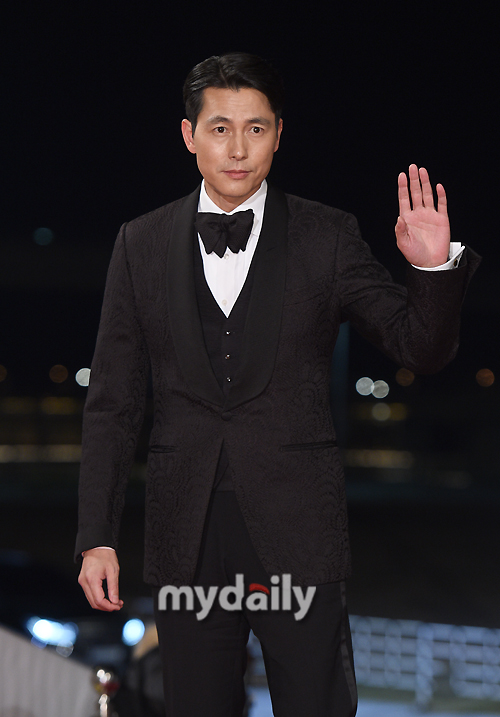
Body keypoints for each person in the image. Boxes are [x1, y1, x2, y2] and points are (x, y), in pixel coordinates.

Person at [76, 52, 479, 716]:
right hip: (187, 534)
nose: (238, 148)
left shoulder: (328, 235)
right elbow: (114, 402)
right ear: (189, 134)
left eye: (256, 128)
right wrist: (96, 533)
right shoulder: (138, 243)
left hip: (298, 529)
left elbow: (420, 347)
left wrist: (432, 271)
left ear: (279, 133)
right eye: (220, 128)